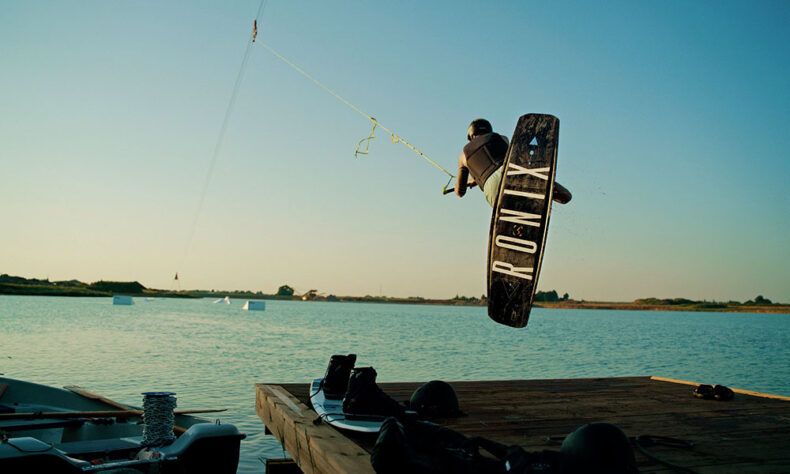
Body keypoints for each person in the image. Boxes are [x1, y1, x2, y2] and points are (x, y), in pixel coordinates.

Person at [455, 118, 572, 207]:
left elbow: (460, 192)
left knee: (509, 212)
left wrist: (468, 182)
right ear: (489, 131)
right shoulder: (501, 138)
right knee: (565, 196)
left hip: (491, 188)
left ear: (471, 136)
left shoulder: (463, 156)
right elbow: (508, 160)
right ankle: (551, 192)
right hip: (513, 173)